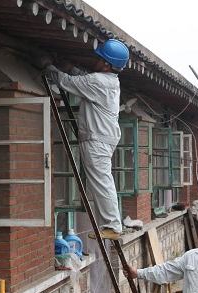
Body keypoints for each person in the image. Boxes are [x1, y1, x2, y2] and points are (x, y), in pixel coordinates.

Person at [40, 39, 129, 240]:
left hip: (97, 139)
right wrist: (70, 67)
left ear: (106, 64)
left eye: (100, 58)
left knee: (101, 182)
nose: (95, 60)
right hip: (102, 137)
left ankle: (112, 226)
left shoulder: (98, 81)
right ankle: (110, 224)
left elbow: (67, 82)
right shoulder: (107, 80)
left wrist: (48, 66)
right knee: (101, 181)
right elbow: (85, 78)